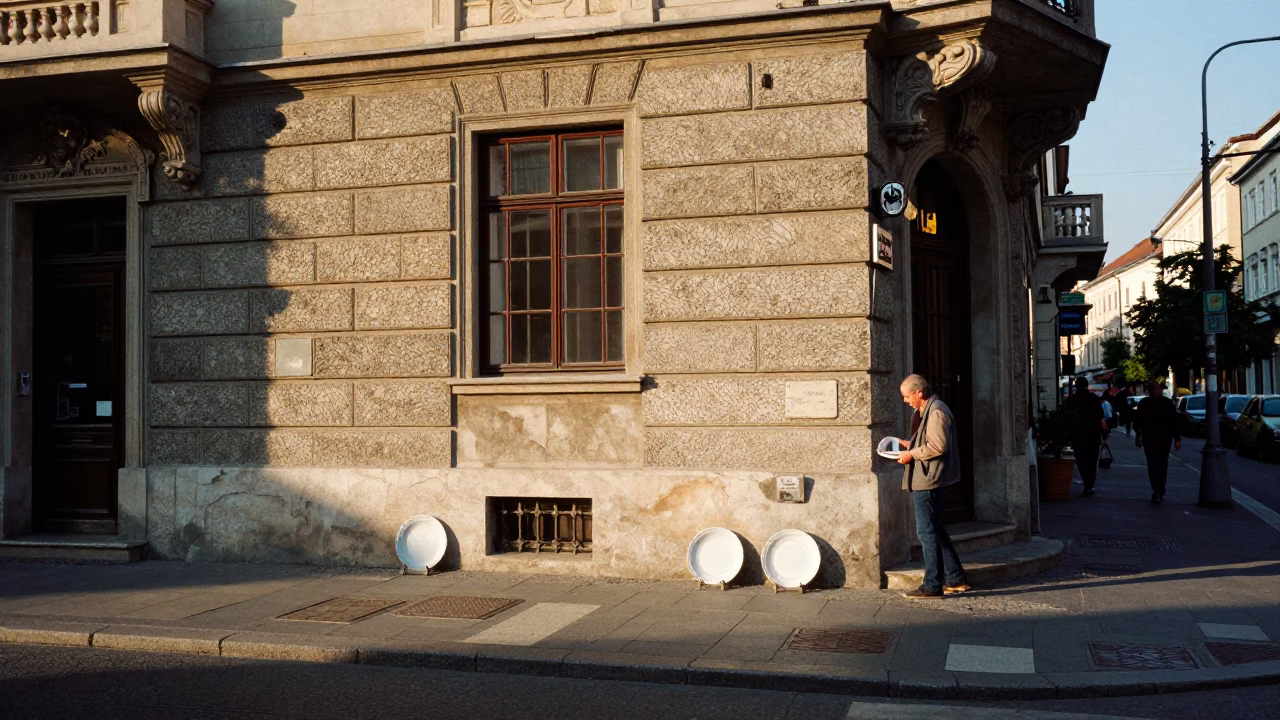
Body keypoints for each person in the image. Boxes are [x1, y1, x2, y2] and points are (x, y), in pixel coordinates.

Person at [896, 374, 969, 599]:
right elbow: (929, 443)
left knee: (927, 532)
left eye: (907, 396)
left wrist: (911, 454)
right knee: (936, 530)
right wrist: (910, 445)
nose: (905, 401)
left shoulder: (936, 411)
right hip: (927, 477)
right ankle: (956, 578)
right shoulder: (927, 410)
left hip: (928, 480)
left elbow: (937, 447)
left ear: (919, 393)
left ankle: (932, 585)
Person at [1134, 380, 1182, 503]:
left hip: (1163, 438)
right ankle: (1157, 489)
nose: (1158, 391)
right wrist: (1138, 436)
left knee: (1160, 464)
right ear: (1150, 390)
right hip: (1151, 438)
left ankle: (1159, 489)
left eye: (1160, 389)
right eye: (1156, 389)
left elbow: (1174, 422)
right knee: (1154, 464)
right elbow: (1138, 421)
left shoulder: (1167, 402)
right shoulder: (1144, 403)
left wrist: (1177, 439)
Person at [1063, 377, 1106, 497]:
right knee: (1092, 460)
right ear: (1087, 385)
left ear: (1076, 386)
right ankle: (1089, 484)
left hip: (1078, 434)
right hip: (1093, 434)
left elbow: (1066, 416)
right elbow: (1100, 415)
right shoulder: (1094, 399)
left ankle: (1086, 481)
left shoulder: (1071, 399)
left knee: (1081, 459)